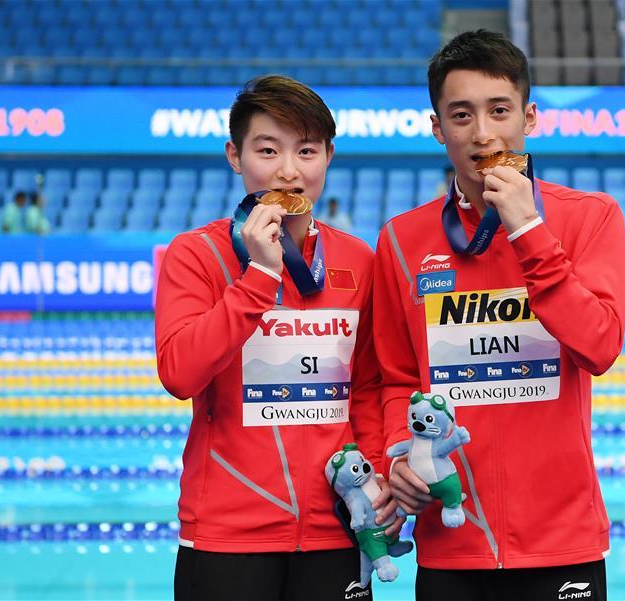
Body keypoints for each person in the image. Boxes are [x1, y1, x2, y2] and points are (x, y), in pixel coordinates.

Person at [372, 30, 625, 601]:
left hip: (563, 540)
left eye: (499, 110)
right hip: (451, 539)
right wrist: (400, 455)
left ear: (529, 117)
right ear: (437, 128)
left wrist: (530, 232)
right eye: (461, 115)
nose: (483, 133)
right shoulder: (401, 240)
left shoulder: (591, 219)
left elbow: (601, 346)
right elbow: (395, 378)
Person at [155, 75, 400, 601]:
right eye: (268, 150)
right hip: (227, 533)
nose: (289, 170)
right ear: (235, 156)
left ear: (328, 157)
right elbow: (178, 373)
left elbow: (368, 387)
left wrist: (375, 473)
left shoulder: (358, 260)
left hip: (336, 529)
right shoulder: (197, 256)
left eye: (306, 150)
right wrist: (259, 280)